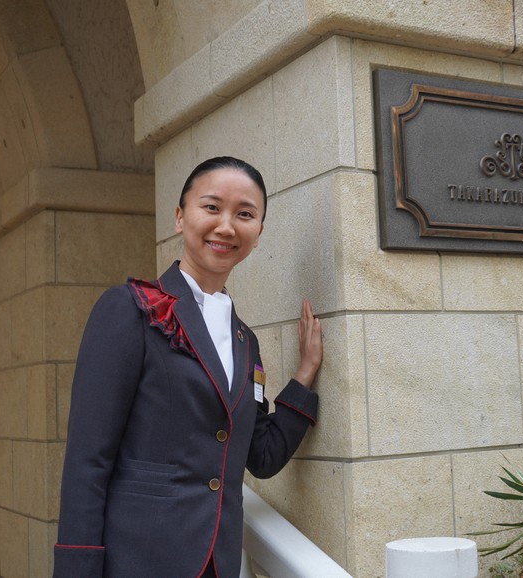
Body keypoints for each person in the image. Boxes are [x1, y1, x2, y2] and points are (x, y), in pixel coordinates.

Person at [53, 156, 322, 578]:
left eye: (245, 214)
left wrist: (304, 375)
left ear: (258, 234)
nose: (226, 226)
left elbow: (262, 456)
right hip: (136, 562)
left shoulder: (246, 342)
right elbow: (88, 460)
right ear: (180, 217)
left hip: (217, 564)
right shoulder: (130, 310)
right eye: (211, 207)